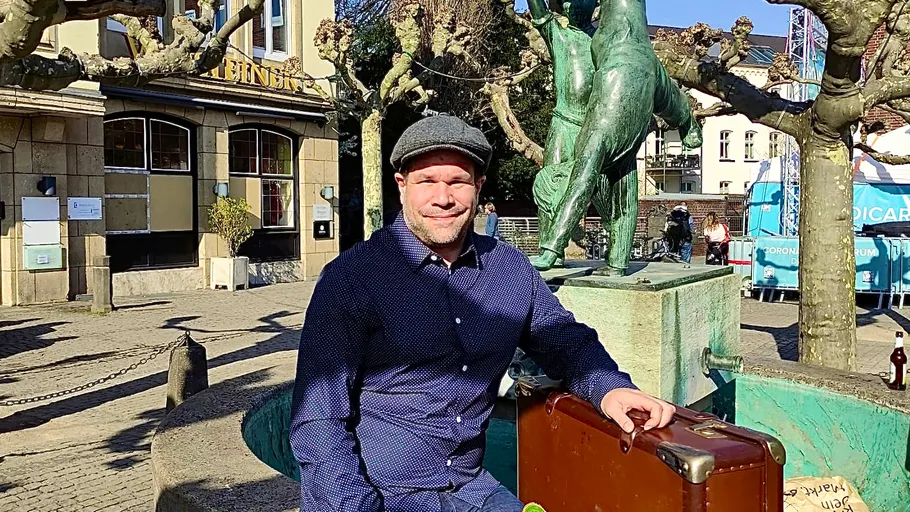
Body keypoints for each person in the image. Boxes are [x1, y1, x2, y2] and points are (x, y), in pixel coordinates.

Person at [290, 115, 675, 512]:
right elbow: (319, 420)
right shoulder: (352, 278)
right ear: (402, 186)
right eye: (427, 181)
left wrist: (609, 387)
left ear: (478, 186)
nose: (443, 198)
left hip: (470, 487)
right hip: (379, 492)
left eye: (457, 181)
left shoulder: (510, 270)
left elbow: (565, 340)